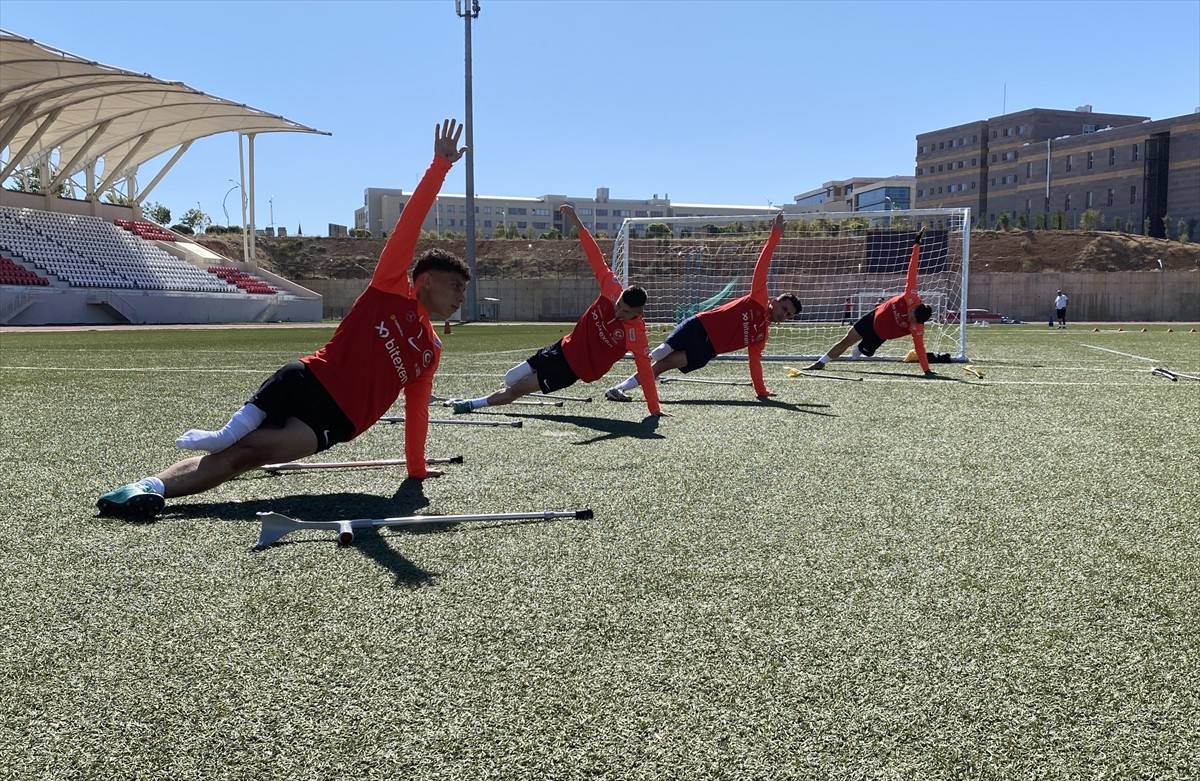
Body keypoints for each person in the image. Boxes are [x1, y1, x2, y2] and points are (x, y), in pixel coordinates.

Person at [97, 119, 471, 519]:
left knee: (246, 453)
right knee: (233, 443)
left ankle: (151, 489)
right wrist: (440, 166)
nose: (460, 297)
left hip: (334, 419)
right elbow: (408, 226)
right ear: (426, 280)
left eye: (463, 290)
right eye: (455, 285)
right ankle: (148, 487)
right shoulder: (389, 286)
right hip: (307, 378)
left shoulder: (430, 350)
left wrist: (416, 469)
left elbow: (417, 411)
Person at [450, 204, 663, 416]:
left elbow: (645, 370)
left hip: (571, 369)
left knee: (516, 389)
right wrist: (575, 219)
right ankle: (487, 398)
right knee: (511, 377)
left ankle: (470, 405)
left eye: (625, 313)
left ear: (638, 314)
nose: (618, 313)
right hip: (562, 347)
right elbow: (594, 256)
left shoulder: (637, 335)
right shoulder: (611, 288)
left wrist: (654, 409)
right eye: (619, 306)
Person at [604, 212, 801, 401]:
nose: (784, 315)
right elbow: (762, 266)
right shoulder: (758, 298)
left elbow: (754, 362)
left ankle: (618, 389)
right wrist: (775, 235)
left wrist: (761, 390)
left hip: (706, 350)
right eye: (784, 309)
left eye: (788, 315)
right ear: (775, 301)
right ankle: (625, 363)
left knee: (663, 365)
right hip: (700, 326)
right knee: (659, 353)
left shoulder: (761, 336)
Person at [804, 230, 936, 377]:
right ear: (914, 308)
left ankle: (862, 348)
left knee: (860, 353)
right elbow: (912, 269)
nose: (911, 319)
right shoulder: (911, 294)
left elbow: (920, 347)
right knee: (847, 340)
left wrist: (927, 370)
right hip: (872, 318)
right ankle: (820, 363)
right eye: (912, 316)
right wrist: (916, 245)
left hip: (879, 335)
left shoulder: (917, 327)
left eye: (914, 320)